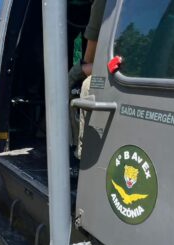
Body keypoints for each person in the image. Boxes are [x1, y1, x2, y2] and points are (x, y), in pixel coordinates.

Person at [68, 0, 107, 159]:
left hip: (115, 65)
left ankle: (77, 149)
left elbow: (89, 57)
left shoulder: (101, 3)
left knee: (75, 78)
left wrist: (81, 67)